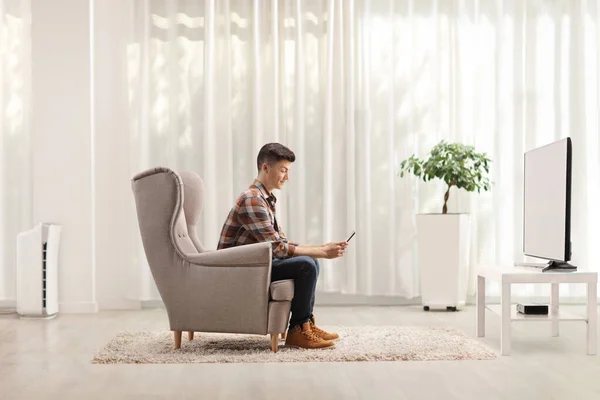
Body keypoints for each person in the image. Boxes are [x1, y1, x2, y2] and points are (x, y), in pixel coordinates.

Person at [217, 143, 348, 349]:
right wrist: (323, 252)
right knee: (306, 264)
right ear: (266, 168)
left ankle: (304, 325)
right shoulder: (252, 199)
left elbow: (281, 244)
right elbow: (279, 249)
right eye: (283, 170)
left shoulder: (264, 199)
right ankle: (297, 331)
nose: (286, 177)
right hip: (240, 271)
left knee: (310, 260)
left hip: (257, 265)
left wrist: (322, 247)